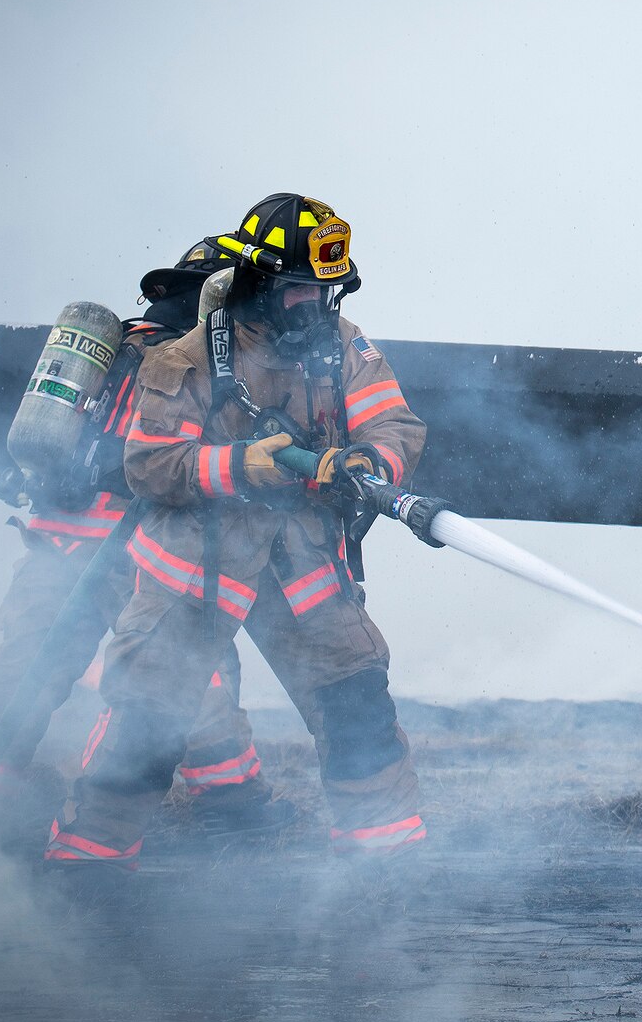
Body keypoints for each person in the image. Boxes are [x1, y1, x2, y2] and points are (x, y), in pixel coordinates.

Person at [48, 194, 426, 872]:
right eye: (301, 291)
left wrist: (370, 462)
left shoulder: (343, 347)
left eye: (326, 291)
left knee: (356, 705)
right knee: (146, 723)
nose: (317, 305)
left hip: (302, 565)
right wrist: (237, 466)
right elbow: (150, 465)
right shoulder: (184, 360)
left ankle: (386, 869)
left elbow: (392, 422)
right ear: (260, 285)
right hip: (194, 570)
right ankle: (86, 868)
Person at [0, 240, 288, 841]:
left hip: (57, 534)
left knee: (27, 666)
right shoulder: (207, 354)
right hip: (134, 538)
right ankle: (231, 800)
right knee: (183, 663)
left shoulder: (111, 343)